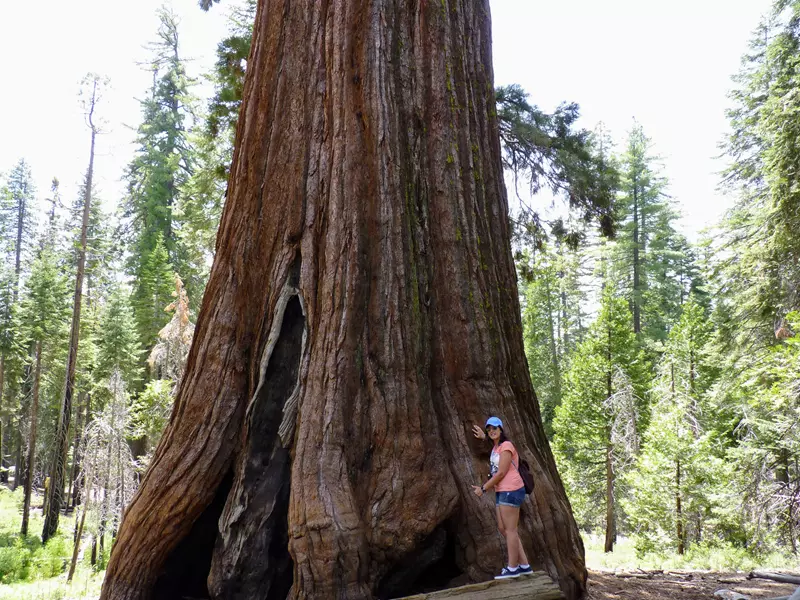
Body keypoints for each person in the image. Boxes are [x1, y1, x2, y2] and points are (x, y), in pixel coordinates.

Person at [471, 416, 532, 580]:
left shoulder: (507, 446)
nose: (492, 431)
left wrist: (483, 488)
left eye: (495, 428)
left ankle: (513, 568)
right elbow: (494, 449)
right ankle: (525, 565)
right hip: (501, 491)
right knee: (502, 528)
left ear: (501, 429)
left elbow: (502, 472)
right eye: (489, 429)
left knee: (511, 530)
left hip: (511, 490)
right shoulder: (496, 447)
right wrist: (485, 438)